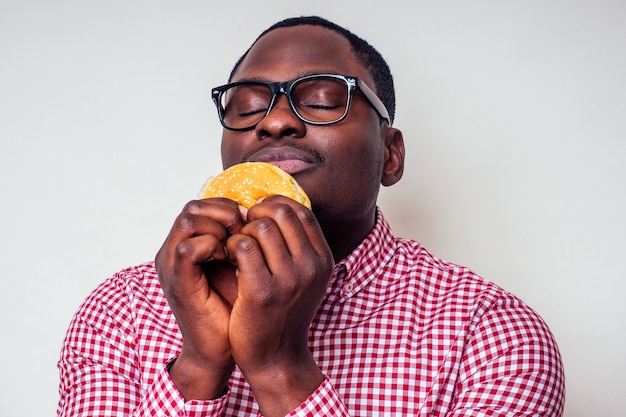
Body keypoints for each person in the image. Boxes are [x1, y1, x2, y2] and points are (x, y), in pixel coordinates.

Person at [57, 16, 565, 416]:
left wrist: (279, 369)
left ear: (391, 156)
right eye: (248, 106)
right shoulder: (120, 312)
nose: (275, 121)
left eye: (322, 101)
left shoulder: (494, 335)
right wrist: (197, 366)